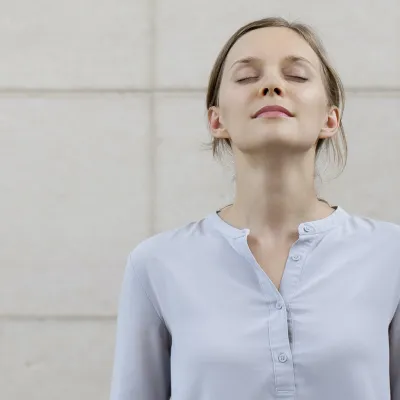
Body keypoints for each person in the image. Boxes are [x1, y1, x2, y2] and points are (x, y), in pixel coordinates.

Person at [109, 17, 400, 400]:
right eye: (246, 78)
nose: (272, 85)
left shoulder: (390, 255)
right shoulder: (157, 263)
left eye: (296, 75)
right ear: (217, 120)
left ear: (331, 119)